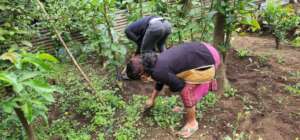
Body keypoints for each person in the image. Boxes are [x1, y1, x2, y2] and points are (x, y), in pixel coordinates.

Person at [124, 42, 221, 138]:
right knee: (178, 83)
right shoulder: (154, 60)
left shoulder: (157, 72)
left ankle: (192, 123)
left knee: (185, 91)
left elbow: (179, 86)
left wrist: (171, 88)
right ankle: (188, 108)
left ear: (142, 76)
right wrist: (152, 98)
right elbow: (161, 78)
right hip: (206, 49)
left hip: (208, 62)